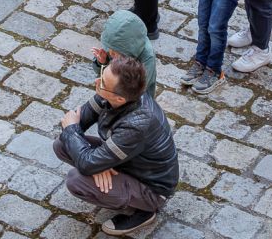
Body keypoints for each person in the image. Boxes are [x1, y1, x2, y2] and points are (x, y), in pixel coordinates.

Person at [54, 51, 180, 237]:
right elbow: (76, 120)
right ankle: (110, 176)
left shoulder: (137, 125)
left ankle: (144, 210)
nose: (97, 82)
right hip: (126, 161)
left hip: (152, 187)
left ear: (120, 99)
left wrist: (93, 163)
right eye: (102, 73)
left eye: (102, 82)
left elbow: (73, 130)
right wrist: (99, 165)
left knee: (76, 180)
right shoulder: (111, 95)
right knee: (61, 144)